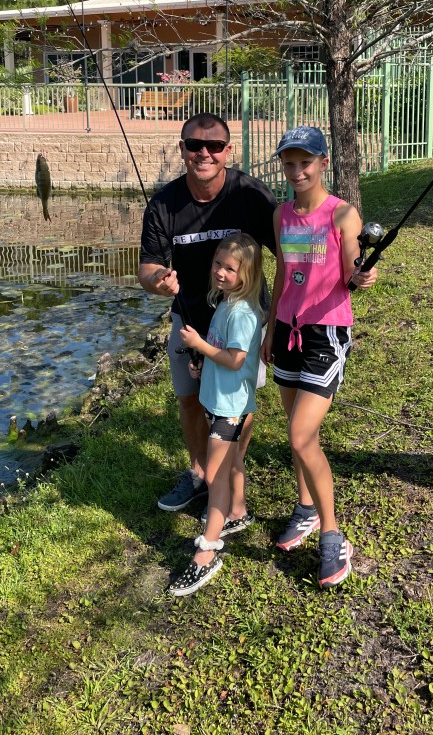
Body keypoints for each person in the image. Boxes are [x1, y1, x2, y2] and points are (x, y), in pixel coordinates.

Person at [139, 112, 277, 512]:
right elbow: (147, 267)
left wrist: (274, 322)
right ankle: (200, 472)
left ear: (227, 150)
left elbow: (288, 252)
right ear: (182, 149)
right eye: (195, 145)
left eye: (214, 145)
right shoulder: (163, 203)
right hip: (190, 321)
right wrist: (159, 280)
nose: (204, 153)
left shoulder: (250, 194)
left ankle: (230, 470)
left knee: (239, 405)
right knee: (189, 399)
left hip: (242, 322)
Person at [261, 126, 378, 589]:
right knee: (297, 435)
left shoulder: (342, 213)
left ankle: (332, 536)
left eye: (305, 162)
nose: (297, 171)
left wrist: (361, 275)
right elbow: (282, 272)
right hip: (287, 330)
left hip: (326, 333)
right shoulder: (281, 215)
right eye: (289, 163)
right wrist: (270, 328)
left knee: (300, 434)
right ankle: (305, 507)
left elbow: (352, 268)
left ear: (323, 163)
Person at [168, 233, 263, 595]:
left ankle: (207, 553)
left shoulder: (241, 313)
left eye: (230, 268)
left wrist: (199, 345)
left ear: (247, 274)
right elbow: (221, 355)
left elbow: (236, 359)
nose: (220, 272)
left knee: (215, 476)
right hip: (217, 401)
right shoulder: (225, 303)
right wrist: (203, 365)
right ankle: (237, 511)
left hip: (230, 409)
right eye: (217, 264)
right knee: (232, 463)